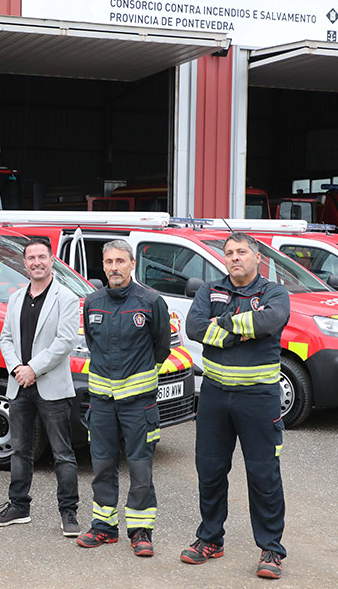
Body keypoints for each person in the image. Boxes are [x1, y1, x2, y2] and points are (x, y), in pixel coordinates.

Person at [181, 232, 291, 580]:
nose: (234, 258)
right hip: (214, 397)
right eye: (229, 253)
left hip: (258, 398)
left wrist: (223, 325)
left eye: (241, 252)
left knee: (263, 475)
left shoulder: (274, 292)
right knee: (210, 472)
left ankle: (271, 549)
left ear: (257, 258)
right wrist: (242, 330)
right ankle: (210, 539)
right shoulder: (208, 290)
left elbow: (270, 321)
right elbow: (195, 327)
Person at [77, 239, 170, 557]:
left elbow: (162, 348)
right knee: (102, 467)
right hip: (101, 403)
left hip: (138, 404)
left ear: (132, 264)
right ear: (102, 266)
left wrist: (138, 378)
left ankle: (141, 531)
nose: (114, 267)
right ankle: (103, 528)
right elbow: (93, 345)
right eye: (108, 262)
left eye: (120, 261)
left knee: (141, 469)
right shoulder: (92, 302)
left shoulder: (151, 301)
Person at [0, 237, 81, 536]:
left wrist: (33, 369)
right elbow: (5, 339)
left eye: (42, 256)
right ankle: (18, 507)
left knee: (62, 454)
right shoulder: (16, 298)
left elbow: (65, 342)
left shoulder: (65, 297)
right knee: (20, 451)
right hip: (19, 385)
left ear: (51, 260)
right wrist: (17, 369)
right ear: (24, 263)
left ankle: (69, 514)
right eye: (31, 258)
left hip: (50, 386)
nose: (37, 262)